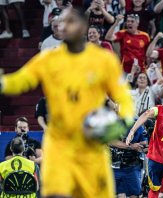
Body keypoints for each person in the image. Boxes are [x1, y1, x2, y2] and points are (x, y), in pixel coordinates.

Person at [0, 8, 135, 197]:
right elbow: (21, 80)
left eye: (70, 21)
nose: (64, 25)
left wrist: (126, 119)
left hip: (91, 145)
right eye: (62, 22)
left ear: (83, 26)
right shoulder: (49, 58)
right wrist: (3, 82)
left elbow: (123, 95)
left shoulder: (103, 60)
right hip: (59, 144)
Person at [110, 122, 147, 198]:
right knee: (116, 193)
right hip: (114, 167)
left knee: (135, 194)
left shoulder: (137, 123)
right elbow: (110, 141)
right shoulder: (111, 121)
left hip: (132, 166)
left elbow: (144, 141)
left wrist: (140, 145)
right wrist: (130, 146)